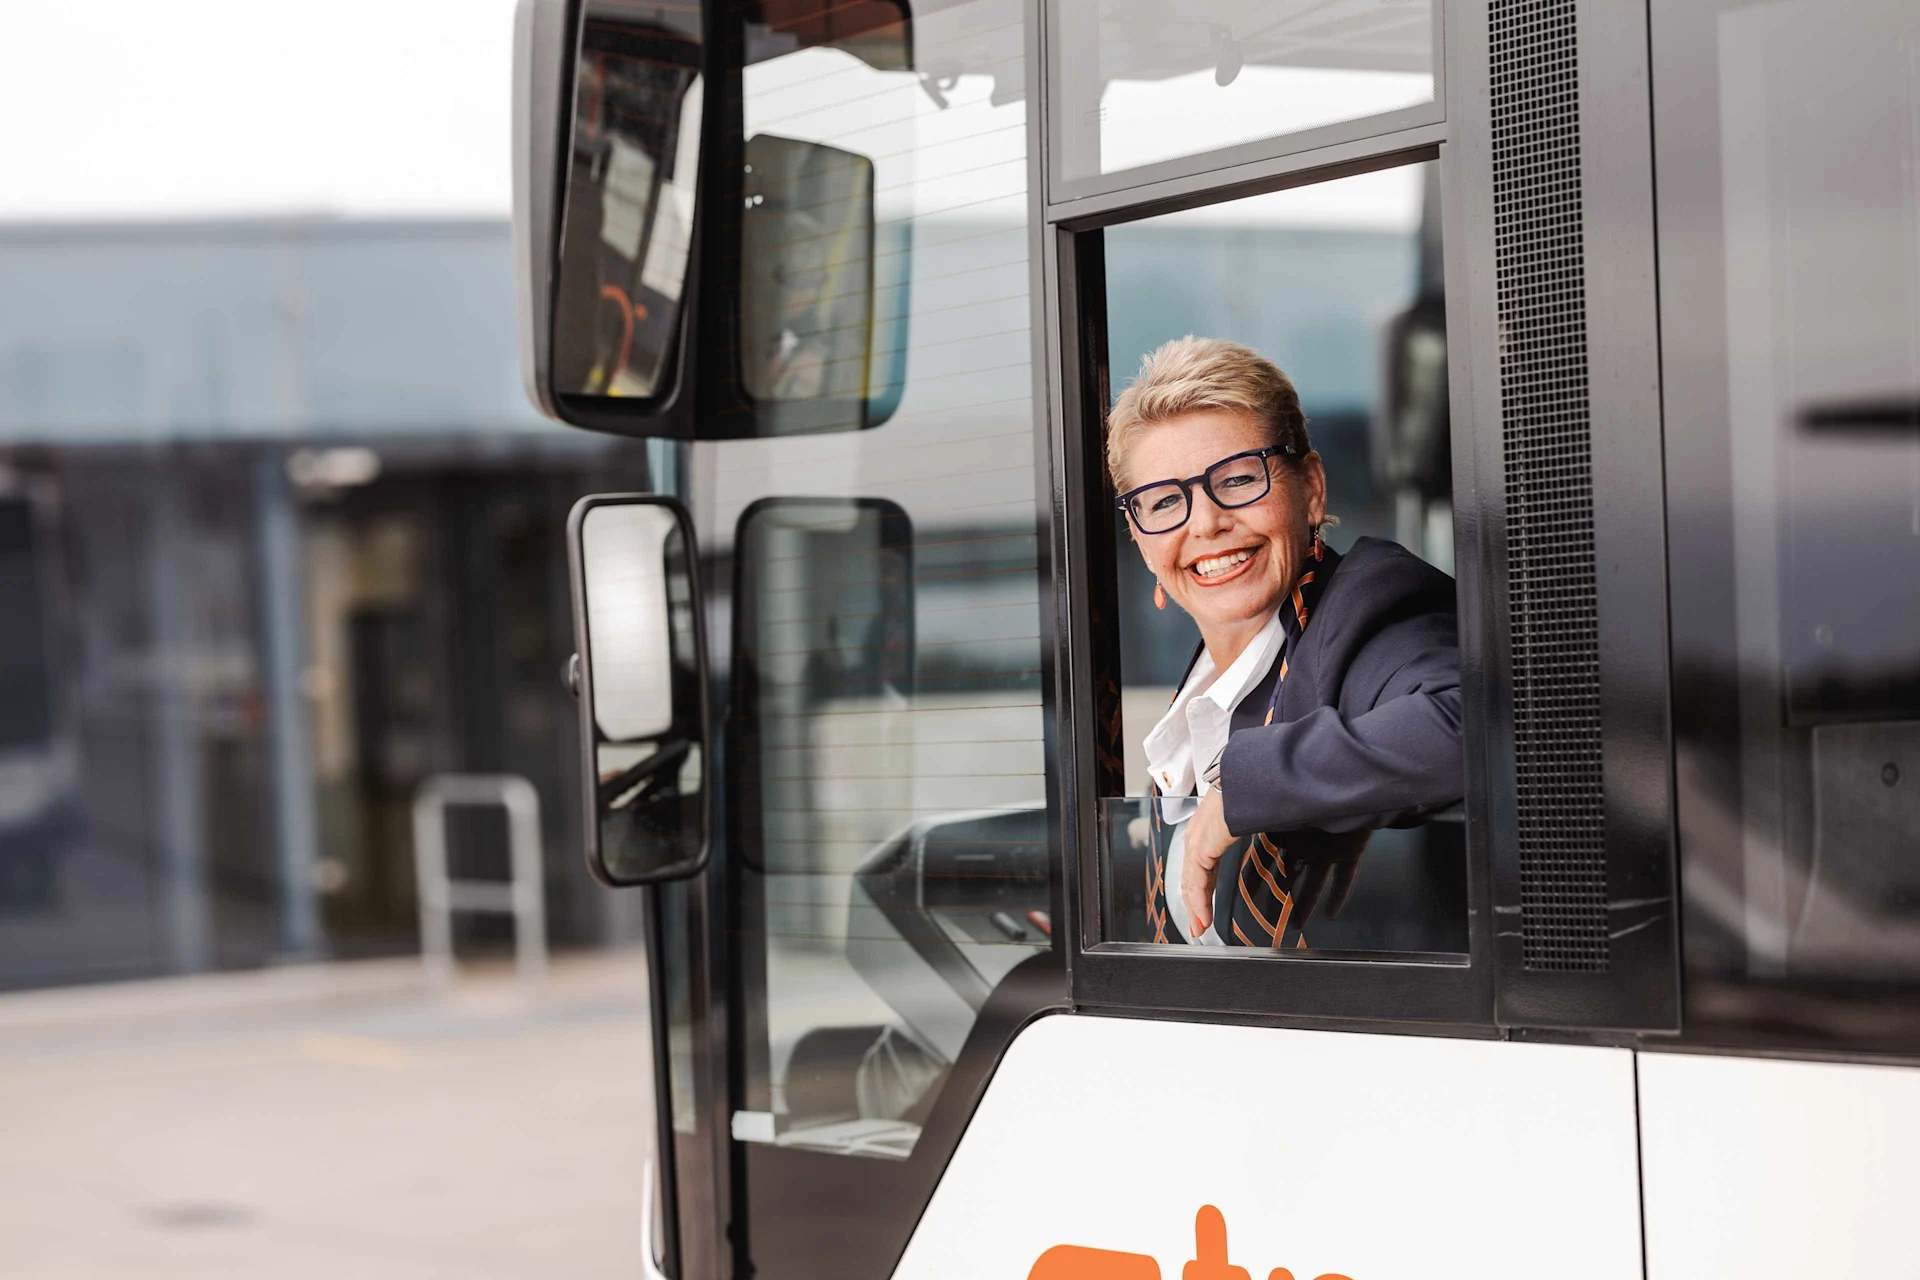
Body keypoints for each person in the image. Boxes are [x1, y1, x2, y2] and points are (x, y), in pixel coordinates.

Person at [1109, 336, 1463, 947]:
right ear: (1141, 543)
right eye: (1165, 501)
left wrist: (1245, 789)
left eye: (1238, 479)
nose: (1205, 523)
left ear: (1312, 489)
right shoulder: (1195, 713)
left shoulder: (1372, 609)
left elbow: (1480, 724)